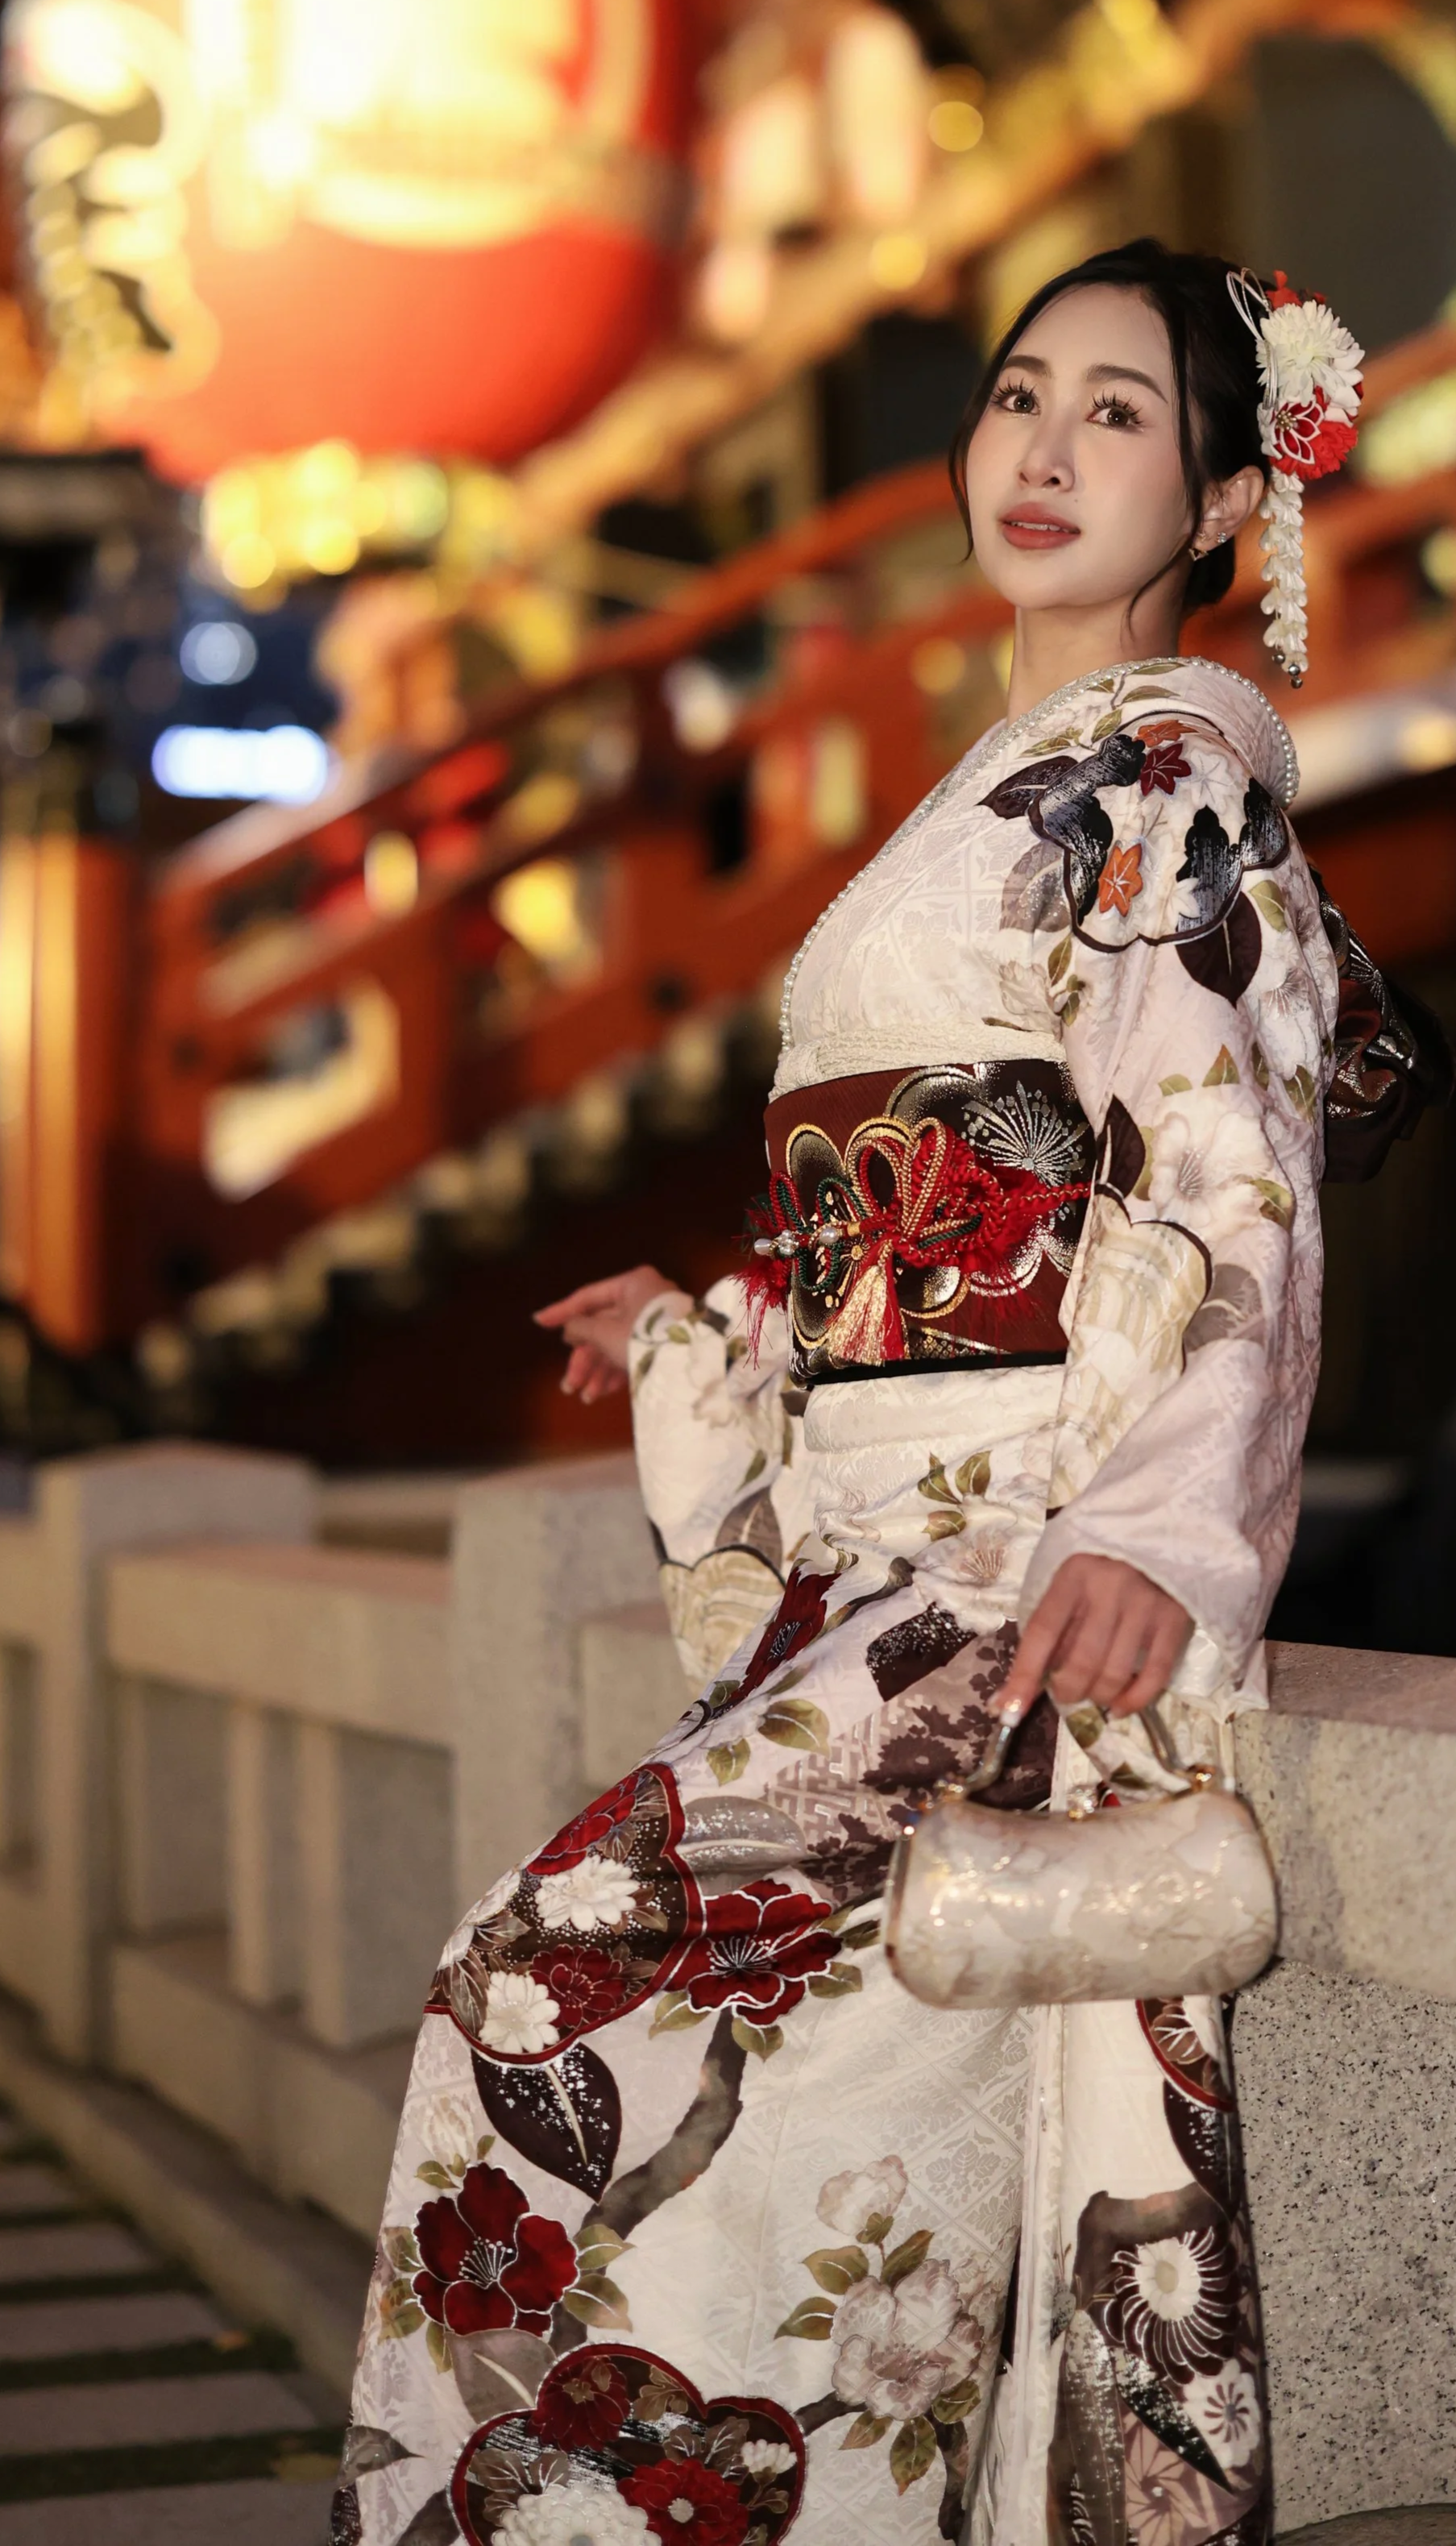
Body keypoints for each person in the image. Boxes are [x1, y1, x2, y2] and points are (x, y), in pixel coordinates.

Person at [334, 239, 1377, 2546]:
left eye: (1118, 412)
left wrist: (1161, 1525)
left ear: (1226, 500)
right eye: (1019, 393)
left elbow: (1229, 1162)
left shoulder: (1173, 767)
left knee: (539, 1982)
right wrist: (724, 1335)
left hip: (1008, 1583)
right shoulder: (1013, 782)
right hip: (875, 1572)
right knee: (816, 2172)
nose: (1044, 446)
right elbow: (933, 1187)